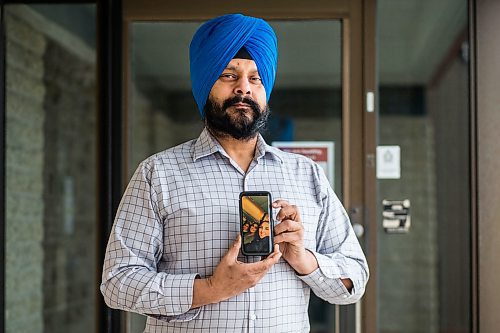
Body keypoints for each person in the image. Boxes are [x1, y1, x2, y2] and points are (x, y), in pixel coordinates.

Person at [101, 13, 369, 332]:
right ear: (206, 82)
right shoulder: (157, 173)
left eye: (255, 78)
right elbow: (117, 283)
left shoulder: (306, 174)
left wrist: (303, 259)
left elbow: (355, 280)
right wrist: (210, 289)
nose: (244, 88)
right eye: (229, 75)